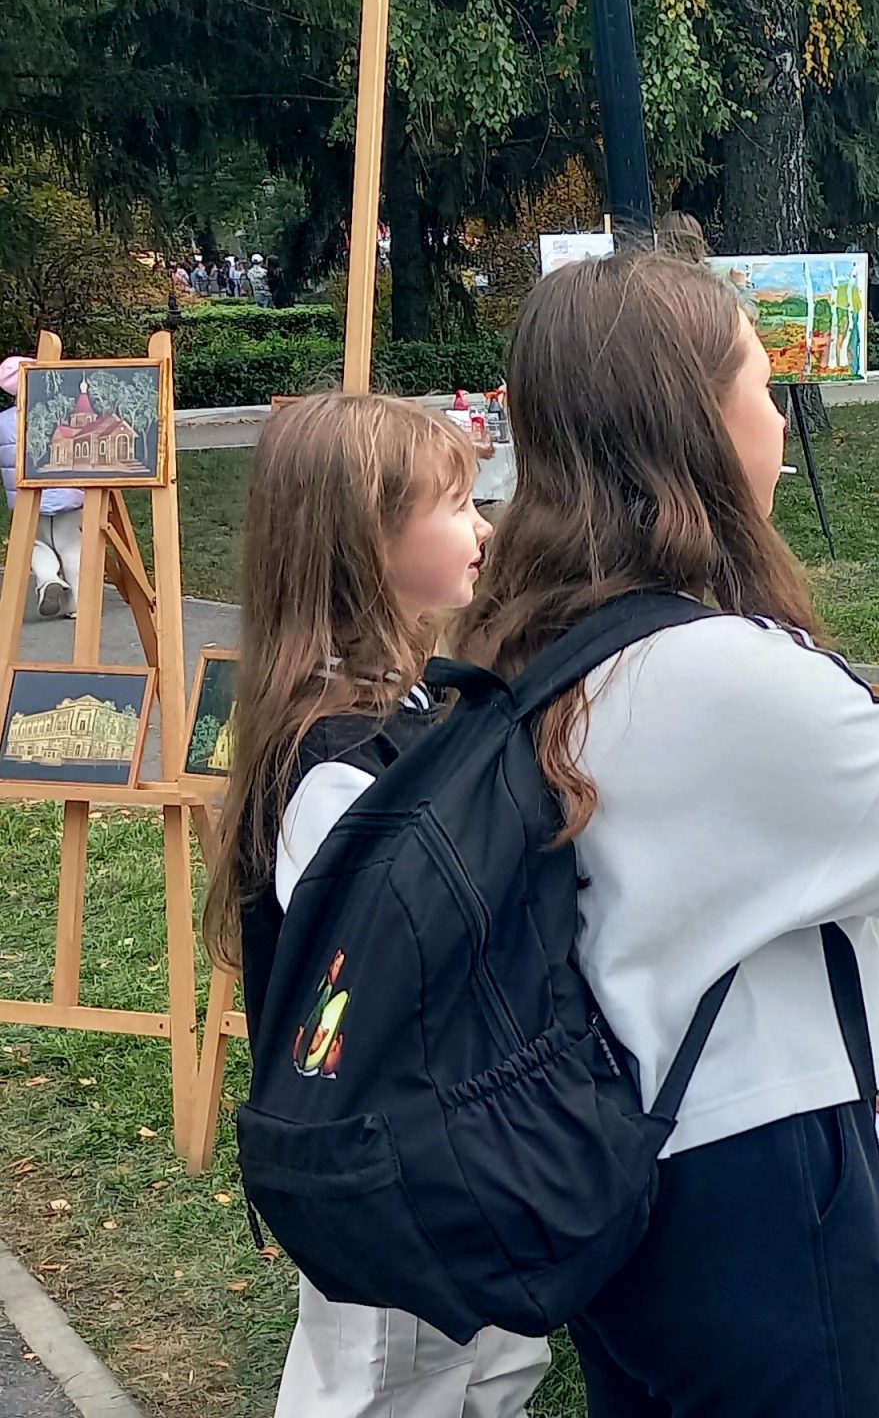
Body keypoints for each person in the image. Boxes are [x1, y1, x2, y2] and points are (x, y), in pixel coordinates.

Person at [451, 244, 879, 1417]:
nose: (778, 421)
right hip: (744, 1192)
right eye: (764, 389)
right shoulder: (720, 671)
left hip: (613, 1157)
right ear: (695, 426)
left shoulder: (519, 634)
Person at [199, 394, 547, 1418]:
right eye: (456, 505)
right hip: (394, 1165)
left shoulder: (414, 704)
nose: (484, 528)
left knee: (495, 1368)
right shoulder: (338, 766)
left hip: (465, 1143)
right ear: (365, 540)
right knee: (385, 1384)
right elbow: (389, 984)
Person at [0, 355, 83, 619]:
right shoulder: (61, 413)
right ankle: (78, 604)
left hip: (27, 499)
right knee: (72, 547)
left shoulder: (4, 422)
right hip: (68, 494)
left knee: (35, 545)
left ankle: (48, 579)